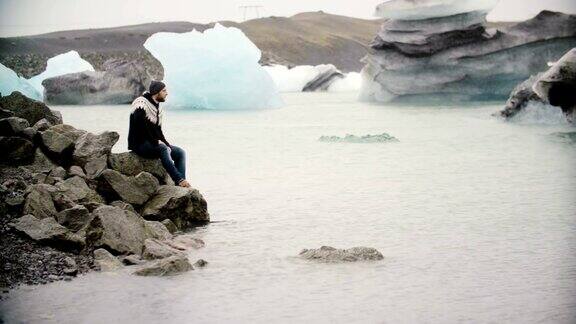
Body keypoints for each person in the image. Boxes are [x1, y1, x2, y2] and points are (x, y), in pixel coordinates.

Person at [128, 81, 191, 188]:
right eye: (164, 91)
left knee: (180, 152)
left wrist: (167, 144)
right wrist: (157, 142)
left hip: (152, 143)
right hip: (140, 144)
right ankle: (179, 179)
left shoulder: (157, 108)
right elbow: (140, 127)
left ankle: (181, 184)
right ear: (156, 92)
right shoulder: (141, 104)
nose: (167, 93)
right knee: (163, 149)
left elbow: (158, 132)